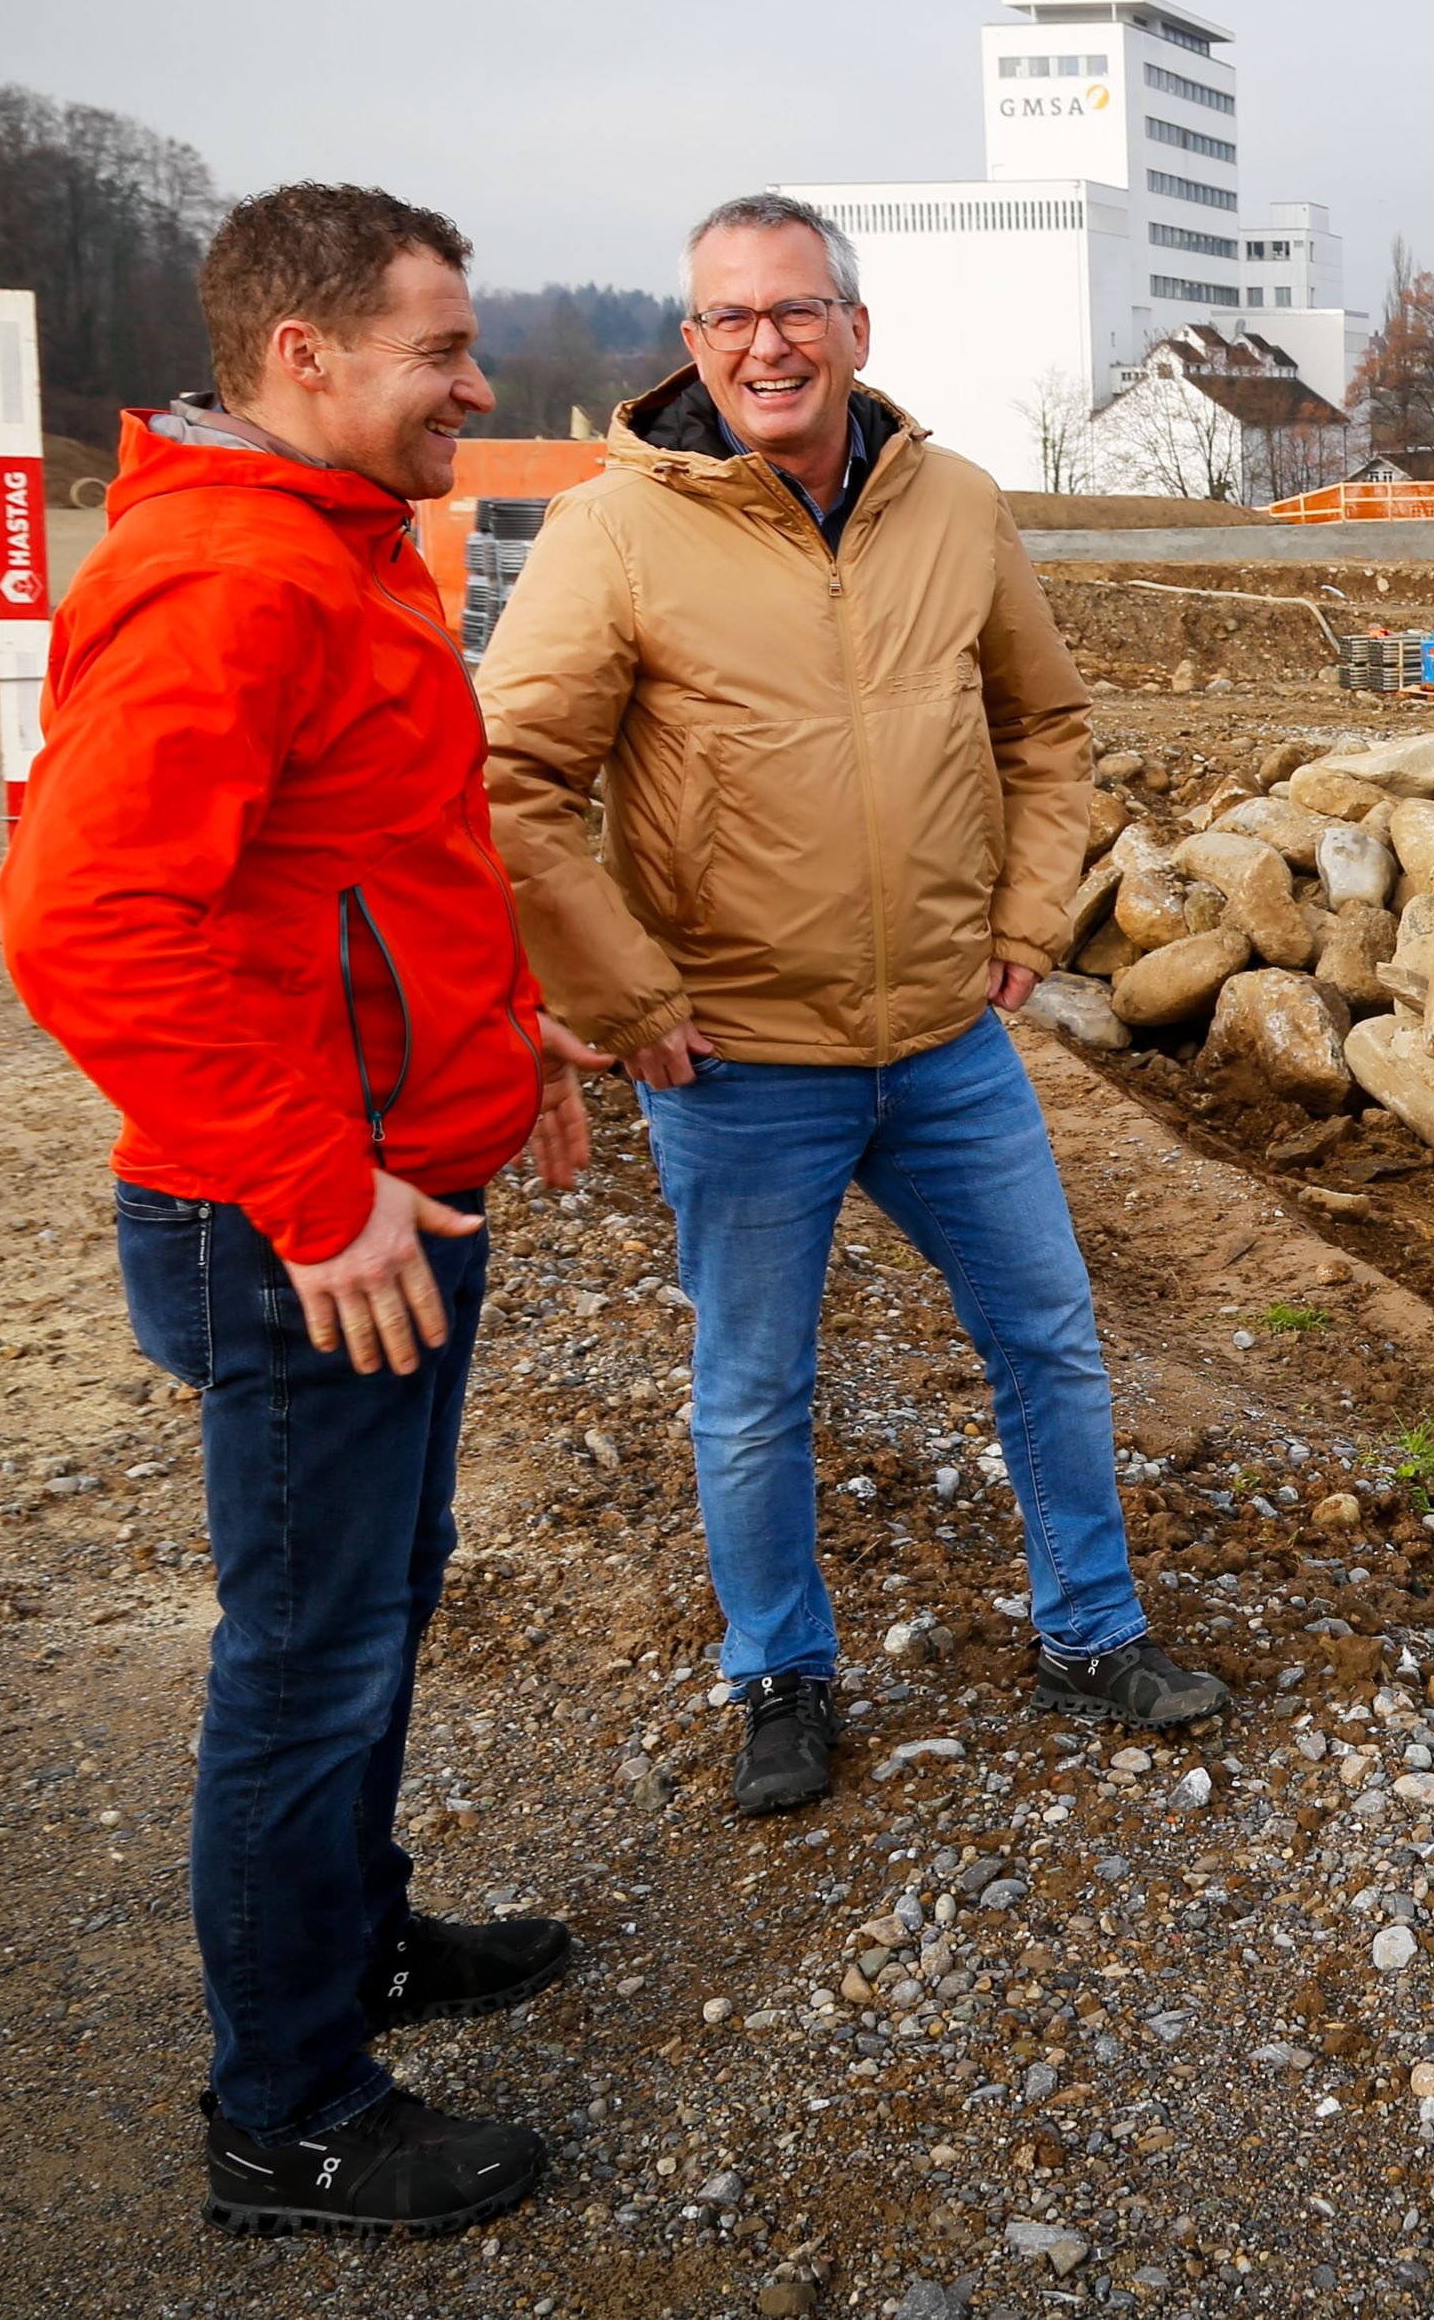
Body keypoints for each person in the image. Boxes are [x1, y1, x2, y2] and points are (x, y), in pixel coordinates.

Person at [0, 182, 605, 2237]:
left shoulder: (337, 553)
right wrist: (316, 1187)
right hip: (302, 1236)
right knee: (311, 1655)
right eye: (444, 349)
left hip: (395, 1193)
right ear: (304, 359)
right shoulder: (233, 579)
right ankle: (290, 2114)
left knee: (378, 1601)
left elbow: (373, 861)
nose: (479, 382)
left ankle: (351, 1945)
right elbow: (85, 919)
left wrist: (503, 1044)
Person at [477, 192, 1222, 1821]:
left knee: (1049, 1335)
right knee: (754, 1387)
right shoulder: (616, 529)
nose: (769, 342)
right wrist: (622, 998)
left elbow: (1046, 726)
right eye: (732, 317)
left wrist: (1029, 910)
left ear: (856, 331)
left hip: (948, 1041)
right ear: (690, 346)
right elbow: (515, 778)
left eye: (798, 310)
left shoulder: (951, 500)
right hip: (741, 1055)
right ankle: (780, 1676)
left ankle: (1091, 1631)